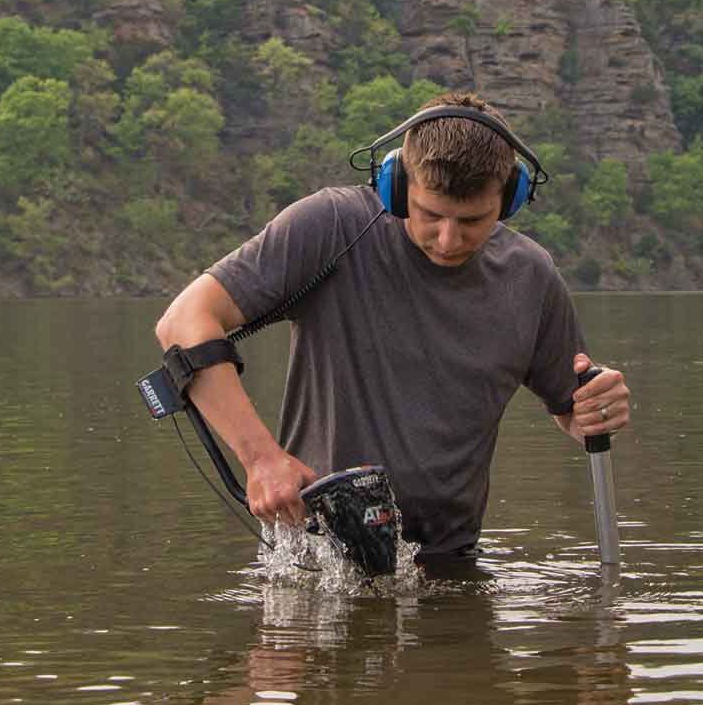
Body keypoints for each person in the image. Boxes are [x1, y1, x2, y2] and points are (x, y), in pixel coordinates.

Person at [155, 91, 630, 563]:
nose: (448, 239)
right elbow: (184, 322)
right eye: (430, 214)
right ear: (397, 186)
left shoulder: (531, 276)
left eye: (472, 220)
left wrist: (593, 410)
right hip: (319, 560)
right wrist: (261, 459)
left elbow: (570, 409)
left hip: (451, 563)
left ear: (510, 197)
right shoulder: (332, 227)